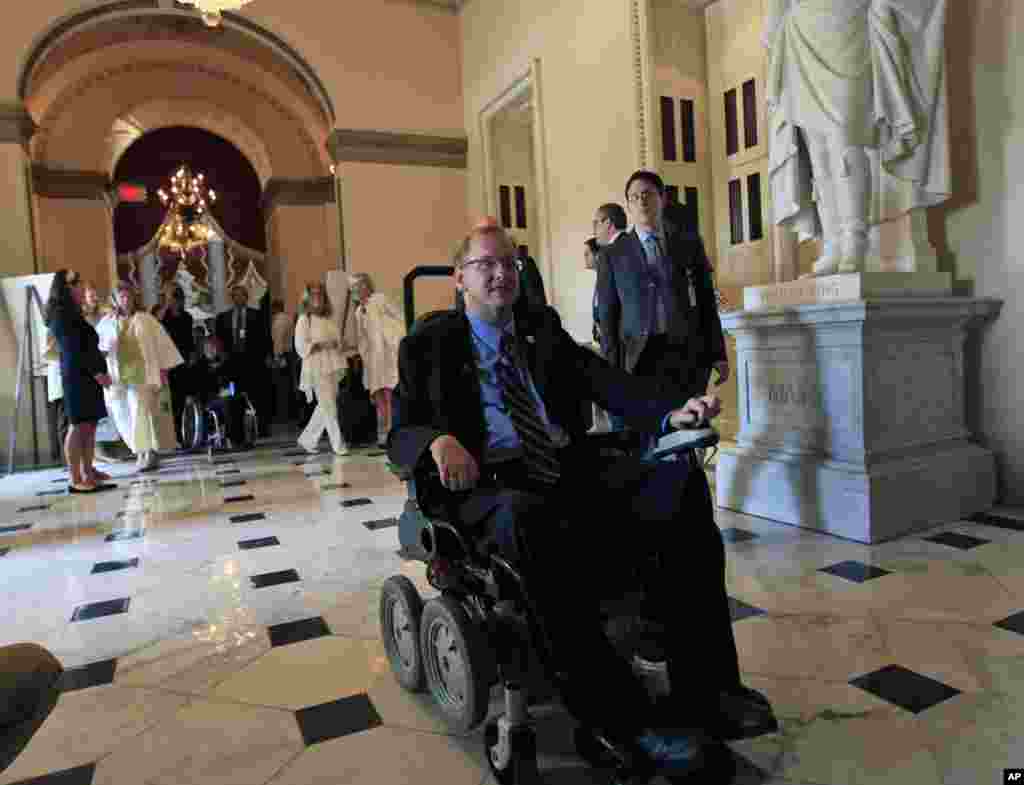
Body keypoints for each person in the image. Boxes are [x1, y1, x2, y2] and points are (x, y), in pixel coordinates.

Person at [390, 225, 774, 779]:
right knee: (535, 522)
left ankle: (709, 688)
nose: (501, 274)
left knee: (679, 482)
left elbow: (608, 383)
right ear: (459, 278)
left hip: (562, 468)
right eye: (485, 265)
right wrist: (436, 440)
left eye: (510, 263)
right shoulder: (428, 345)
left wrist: (671, 413)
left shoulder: (540, 328)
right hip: (487, 485)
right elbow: (399, 434)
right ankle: (624, 721)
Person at [763, 0, 950, 277]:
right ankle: (833, 243)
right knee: (819, 153)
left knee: (846, 141)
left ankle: (855, 240)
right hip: (801, 34)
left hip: (847, 26)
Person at [597, 171, 728, 416]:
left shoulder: (688, 243)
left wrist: (718, 353)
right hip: (639, 359)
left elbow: (706, 302)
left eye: (647, 195)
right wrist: (610, 373)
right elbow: (608, 318)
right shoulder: (612, 255)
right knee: (648, 436)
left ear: (663, 198)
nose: (641, 202)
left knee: (689, 429)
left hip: (685, 354)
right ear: (628, 205)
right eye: (634, 197)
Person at [96, 282, 184, 472]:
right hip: (117, 377)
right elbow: (98, 351)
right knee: (121, 416)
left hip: (142, 375)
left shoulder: (146, 319)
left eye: (128, 296)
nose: (125, 299)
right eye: (121, 296)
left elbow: (162, 345)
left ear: (134, 298)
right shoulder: (106, 323)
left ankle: (148, 453)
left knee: (140, 414)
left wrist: (164, 370)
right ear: (115, 299)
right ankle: (140, 450)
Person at [44, 270, 114, 493]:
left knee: (89, 425)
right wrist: (96, 372)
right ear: (63, 288)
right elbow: (75, 349)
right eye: (75, 283)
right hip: (77, 377)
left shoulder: (72, 312)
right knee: (78, 425)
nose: (80, 286)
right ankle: (75, 478)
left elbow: (86, 344)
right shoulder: (60, 313)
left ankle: (88, 470)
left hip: (86, 375)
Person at [349, 272, 405, 448]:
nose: (358, 290)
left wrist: (397, 339)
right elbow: (361, 336)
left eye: (360, 285)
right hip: (372, 356)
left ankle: (395, 428)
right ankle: (387, 429)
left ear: (367, 286)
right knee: (378, 393)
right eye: (354, 287)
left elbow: (399, 316)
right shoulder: (358, 311)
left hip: (387, 351)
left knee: (390, 390)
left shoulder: (380, 299)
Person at [294, 281, 349, 455]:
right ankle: (338, 445)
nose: (317, 297)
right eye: (313, 294)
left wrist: (337, 343)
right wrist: (320, 344)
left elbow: (339, 340)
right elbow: (300, 346)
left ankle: (307, 440)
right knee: (329, 406)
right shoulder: (304, 319)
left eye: (320, 293)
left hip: (332, 363)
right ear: (307, 298)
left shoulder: (328, 318)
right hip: (316, 366)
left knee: (325, 406)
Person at [215, 285, 270, 436]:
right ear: (232, 298)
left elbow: (265, 339)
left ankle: (260, 428)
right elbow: (219, 341)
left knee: (256, 396)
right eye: (235, 296)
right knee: (233, 396)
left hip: (252, 364)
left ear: (246, 297)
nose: (239, 298)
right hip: (231, 366)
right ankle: (234, 430)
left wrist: (266, 357)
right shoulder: (223, 318)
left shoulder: (258, 315)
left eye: (241, 295)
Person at [153, 284, 195, 446]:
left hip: (182, 362)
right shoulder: (162, 314)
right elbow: (156, 325)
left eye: (177, 299)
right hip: (166, 363)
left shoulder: (187, 317)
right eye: (172, 299)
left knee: (180, 400)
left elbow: (189, 341)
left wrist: (191, 356)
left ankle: (181, 434)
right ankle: (167, 436)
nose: (175, 303)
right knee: (167, 402)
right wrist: (165, 303)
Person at [192, 335, 250, 448]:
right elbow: (200, 389)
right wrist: (218, 393)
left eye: (214, 347)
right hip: (210, 399)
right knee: (227, 402)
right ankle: (231, 438)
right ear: (204, 350)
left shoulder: (227, 362)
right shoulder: (199, 366)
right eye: (208, 348)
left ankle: (239, 438)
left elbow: (235, 381)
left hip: (228, 395)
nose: (211, 350)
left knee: (237, 400)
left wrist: (230, 390)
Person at [270, 299, 296, 424]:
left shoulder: (279, 321)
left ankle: (283, 415)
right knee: (288, 386)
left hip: (282, 356)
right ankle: (290, 413)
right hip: (289, 354)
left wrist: (276, 358)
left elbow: (278, 341)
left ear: (275, 308)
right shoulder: (288, 318)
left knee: (281, 387)